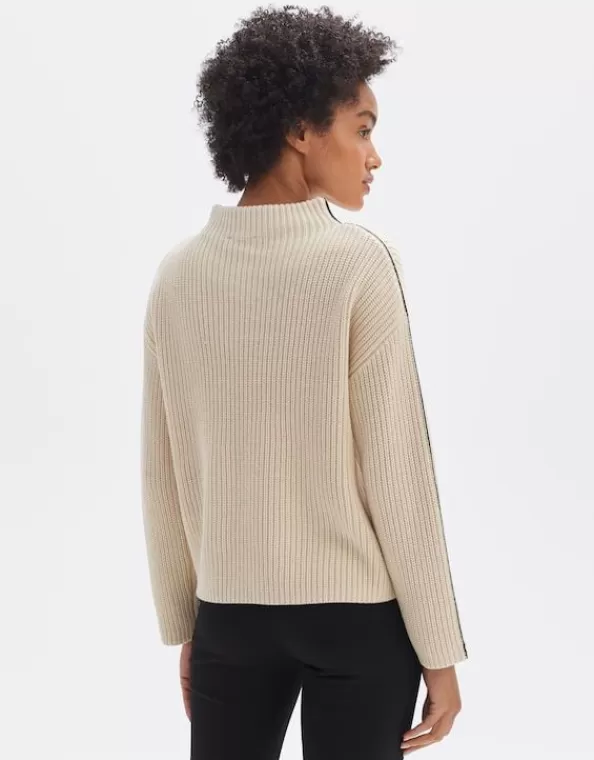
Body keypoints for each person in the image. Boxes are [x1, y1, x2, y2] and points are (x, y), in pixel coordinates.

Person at [140, 5, 469, 759]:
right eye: (362, 128)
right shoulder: (359, 263)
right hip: (357, 619)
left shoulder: (177, 276)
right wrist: (440, 651)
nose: (375, 156)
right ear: (298, 130)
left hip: (229, 616)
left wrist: (188, 626)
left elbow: (163, 470)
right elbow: (399, 472)